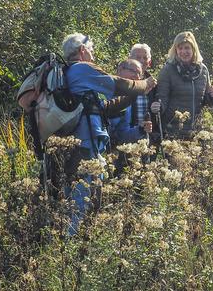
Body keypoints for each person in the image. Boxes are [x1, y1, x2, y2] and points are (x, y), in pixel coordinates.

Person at [61, 33, 156, 234]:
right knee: (81, 196)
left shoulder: (69, 72)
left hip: (75, 141)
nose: (93, 53)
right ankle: (71, 244)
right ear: (82, 50)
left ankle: (72, 238)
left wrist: (133, 96)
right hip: (85, 143)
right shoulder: (82, 68)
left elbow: (102, 108)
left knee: (77, 194)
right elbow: (119, 84)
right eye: (92, 49)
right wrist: (144, 85)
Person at [156, 31, 213, 138]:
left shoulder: (203, 70)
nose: (184, 51)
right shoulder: (168, 70)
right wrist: (158, 107)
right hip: (173, 130)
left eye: (187, 48)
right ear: (175, 50)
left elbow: (203, 100)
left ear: (193, 49)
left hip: (196, 130)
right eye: (180, 48)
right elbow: (162, 98)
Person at [108, 58, 154, 174]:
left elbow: (121, 133)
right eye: (134, 71)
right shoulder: (106, 88)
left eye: (140, 74)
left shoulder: (127, 99)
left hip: (111, 154)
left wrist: (140, 129)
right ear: (120, 70)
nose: (137, 77)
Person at [128, 43, 162, 146]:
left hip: (149, 138)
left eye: (145, 58)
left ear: (149, 62)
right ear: (129, 59)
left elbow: (161, 107)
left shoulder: (155, 85)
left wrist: (160, 107)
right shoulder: (122, 82)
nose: (142, 60)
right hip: (126, 139)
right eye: (138, 57)